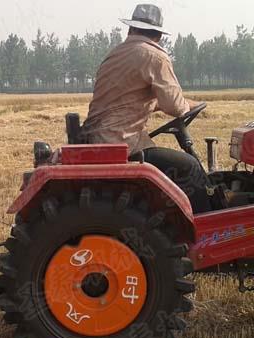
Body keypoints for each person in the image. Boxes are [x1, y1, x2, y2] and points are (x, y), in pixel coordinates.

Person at [82, 4, 213, 213]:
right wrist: (188, 104)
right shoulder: (154, 56)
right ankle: (209, 230)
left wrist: (178, 103)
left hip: (100, 139)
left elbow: (128, 99)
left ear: (131, 30)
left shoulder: (115, 54)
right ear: (158, 35)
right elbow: (176, 107)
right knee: (190, 167)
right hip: (122, 144)